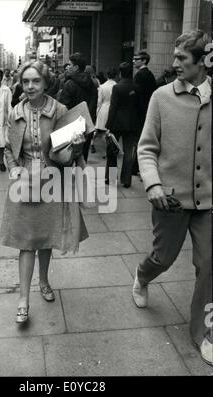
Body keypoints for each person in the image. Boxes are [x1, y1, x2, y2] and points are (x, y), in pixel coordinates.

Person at [133, 30, 212, 366]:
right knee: (162, 257)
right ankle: (142, 275)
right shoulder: (161, 97)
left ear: (203, 62)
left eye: (182, 58)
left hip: (209, 202)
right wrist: (152, 185)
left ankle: (204, 333)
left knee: (209, 267)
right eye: (175, 56)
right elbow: (146, 147)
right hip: (170, 200)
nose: (174, 63)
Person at [0, 60, 88, 323]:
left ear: (46, 83)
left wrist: (77, 147)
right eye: (25, 81)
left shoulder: (60, 110)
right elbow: (7, 148)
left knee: (46, 238)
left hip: (52, 180)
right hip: (24, 181)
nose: (29, 86)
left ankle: (44, 281)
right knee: (26, 243)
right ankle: (24, 299)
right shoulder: (15, 111)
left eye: (35, 81)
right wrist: (14, 168)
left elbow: (67, 155)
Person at [105, 62, 140, 187]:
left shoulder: (117, 87)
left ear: (120, 73)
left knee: (112, 151)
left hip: (117, 123)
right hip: (132, 123)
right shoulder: (137, 87)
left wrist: (108, 125)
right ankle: (126, 180)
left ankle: (111, 178)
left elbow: (113, 107)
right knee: (129, 152)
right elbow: (139, 108)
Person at [59, 53, 98, 162]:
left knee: (68, 158)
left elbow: (63, 107)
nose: (67, 67)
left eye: (70, 65)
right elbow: (94, 103)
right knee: (82, 157)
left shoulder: (69, 84)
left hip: (71, 126)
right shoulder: (92, 83)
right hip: (87, 124)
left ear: (76, 67)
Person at [132, 50, 157, 175]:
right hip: (146, 111)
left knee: (138, 141)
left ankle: (136, 167)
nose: (134, 61)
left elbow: (136, 96)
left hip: (140, 113)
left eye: (136, 59)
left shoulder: (140, 75)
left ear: (144, 61)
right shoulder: (149, 75)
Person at [91, 67, 117, 153]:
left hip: (103, 109)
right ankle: (108, 150)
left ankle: (93, 144)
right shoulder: (116, 86)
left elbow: (99, 101)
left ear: (107, 75)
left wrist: (97, 111)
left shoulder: (102, 87)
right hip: (113, 109)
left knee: (99, 129)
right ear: (115, 75)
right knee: (109, 131)